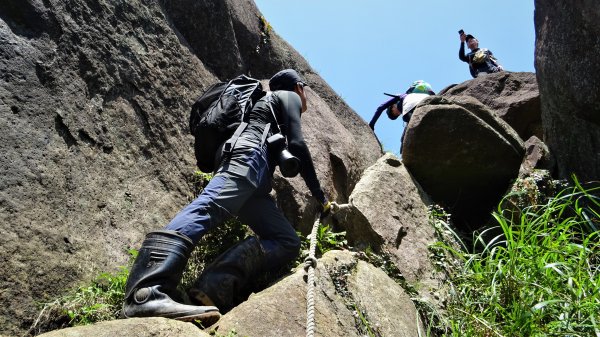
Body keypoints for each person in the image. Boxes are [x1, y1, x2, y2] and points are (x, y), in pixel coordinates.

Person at [122, 69, 333, 323]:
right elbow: (298, 145)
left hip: (255, 175)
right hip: (247, 158)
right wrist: (320, 196)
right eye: (304, 90)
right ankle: (146, 291)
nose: (305, 97)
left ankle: (212, 288)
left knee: (286, 241)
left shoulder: (267, 105)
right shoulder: (289, 96)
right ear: (299, 87)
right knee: (209, 205)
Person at [369, 80, 435, 153]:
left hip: (415, 105)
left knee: (409, 122)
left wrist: (371, 125)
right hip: (428, 101)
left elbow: (381, 107)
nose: (398, 113)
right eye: (397, 115)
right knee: (408, 130)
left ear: (392, 106)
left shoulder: (401, 96)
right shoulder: (412, 96)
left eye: (393, 112)